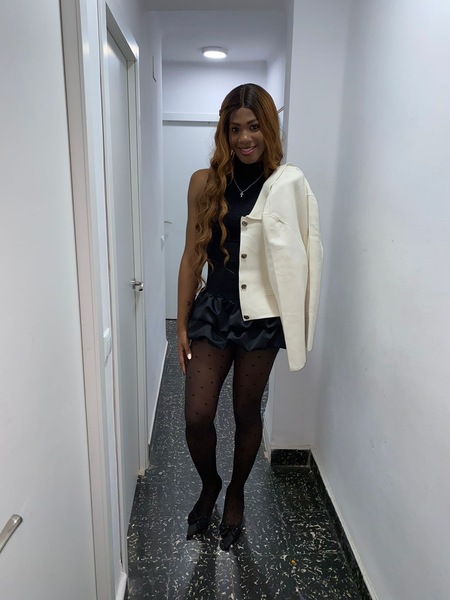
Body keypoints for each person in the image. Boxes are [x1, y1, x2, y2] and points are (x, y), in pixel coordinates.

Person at [177, 83, 323, 551]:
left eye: (254, 127)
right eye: (235, 128)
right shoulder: (204, 181)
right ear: (224, 132)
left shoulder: (285, 184)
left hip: (262, 317)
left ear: (269, 128)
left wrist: (299, 316)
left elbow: (304, 252)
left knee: (246, 412)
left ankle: (236, 493)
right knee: (197, 416)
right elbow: (190, 257)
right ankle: (211, 485)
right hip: (214, 311)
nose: (244, 138)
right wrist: (181, 325)